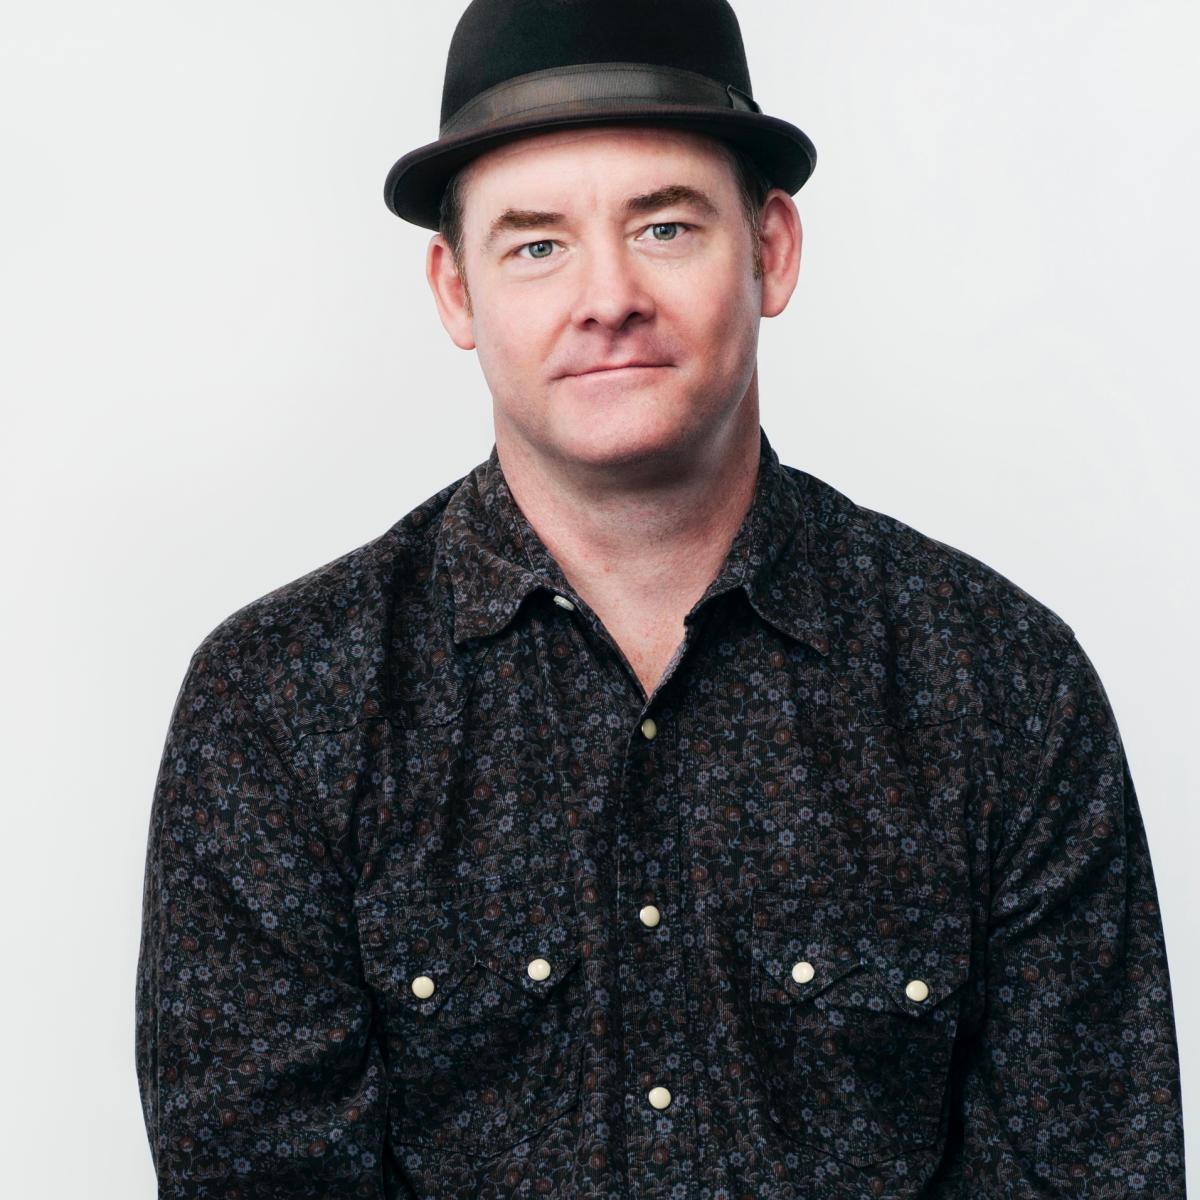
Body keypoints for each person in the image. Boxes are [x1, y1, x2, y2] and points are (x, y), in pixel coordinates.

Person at [134, 1, 1186, 1196]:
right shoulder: (280, 708)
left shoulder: (1002, 683)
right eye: (537, 246)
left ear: (771, 249)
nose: (608, 296)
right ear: (455, 290)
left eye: (666, 226)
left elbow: (1089, 1169)